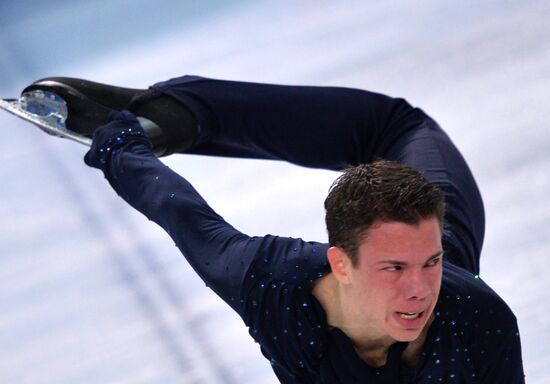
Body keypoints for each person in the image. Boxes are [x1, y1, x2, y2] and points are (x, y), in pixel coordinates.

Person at [25, 75, 525, 383]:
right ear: (340, 265)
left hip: (444, 234)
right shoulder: (271, 285)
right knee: (395, 125)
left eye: (429, 262)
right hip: (385, 138)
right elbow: (181, 214)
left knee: (397, 128)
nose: (420, 290)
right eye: (393, 267)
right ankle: (183, 114)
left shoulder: (482, 321)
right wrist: (122, 151)